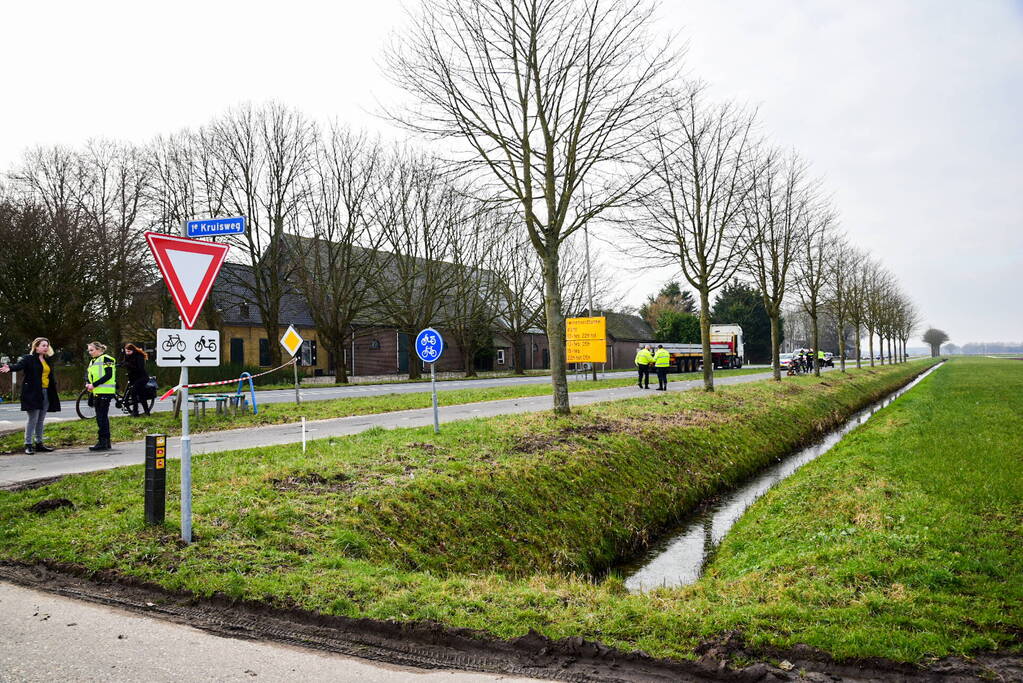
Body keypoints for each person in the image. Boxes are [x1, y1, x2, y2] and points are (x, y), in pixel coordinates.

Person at [0, 337, 61, 454]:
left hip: (46, 392)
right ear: (36, 347)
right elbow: (19, 366)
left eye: (47, 345)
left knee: (41, 420)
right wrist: (10, 368)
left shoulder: (47, 360)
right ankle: (28, 444)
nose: (46, 347)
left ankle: (39, 443)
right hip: (32, 392)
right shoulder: (28, 359)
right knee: (33, 419)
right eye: (43, 345)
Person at [85, 341, 117, 451]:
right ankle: (106, 442)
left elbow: (109, 375)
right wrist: (88, 383)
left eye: (92, 350)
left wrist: (93, 385)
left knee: (101, 418)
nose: (90, 352)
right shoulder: (93, 361)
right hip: (97, 392)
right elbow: (90, 375)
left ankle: (103, 442)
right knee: (101, 417)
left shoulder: (107, 359)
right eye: (89, 350)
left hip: (105, 392)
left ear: (99, 349)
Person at [121, 343, 151, 416]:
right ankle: (146, 412)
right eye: (126, 351)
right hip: (133, 378)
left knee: (134, 393)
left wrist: (128, 365)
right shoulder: (127, 356)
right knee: (141, 395)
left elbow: (140, 368)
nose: (127, 353)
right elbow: (124, 362)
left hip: (142, 377)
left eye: (129, 351)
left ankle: (135, 412)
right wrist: (121, 364)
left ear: (133, 350)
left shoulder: (139, 356)